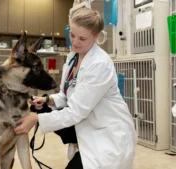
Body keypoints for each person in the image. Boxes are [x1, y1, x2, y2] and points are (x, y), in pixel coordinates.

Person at [14, 8, 137, 169]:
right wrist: (48, 100)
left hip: (108, 135)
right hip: (88, 127)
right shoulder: (73, 57)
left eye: (82, 38)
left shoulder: (99, 64)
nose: (75, 42)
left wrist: (35, 119)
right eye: (72, 36)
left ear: (96, 36)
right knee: (46, 110)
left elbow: (76, 111)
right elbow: (68, 95)